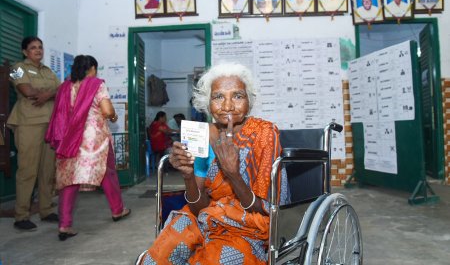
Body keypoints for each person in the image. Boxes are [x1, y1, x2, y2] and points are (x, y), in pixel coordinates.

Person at [136, 63, 289, 264]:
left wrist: (232, 174)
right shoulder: (203, 136)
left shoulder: (265, 135)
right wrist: (188, 176)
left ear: (249, 102)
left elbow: (265, 211)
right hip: (206, 217)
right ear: (207, 103)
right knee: (158, 254)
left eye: (237, 96)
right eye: (218, 97)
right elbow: (200, 208)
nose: (227, 106)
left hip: (250, 225)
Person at [45, 55, 131, 241]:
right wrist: (115, 117)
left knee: (69, 180)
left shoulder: (64, 87)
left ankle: (64, 224)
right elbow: (107, 111)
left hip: (69, 138)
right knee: (107, 173)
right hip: (93, 139)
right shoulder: (96, 84)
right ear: (92, 68)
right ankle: (117, 210)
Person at [7, 36, 60, 231]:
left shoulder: (48, 71)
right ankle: (21, 215)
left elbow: (61, 90)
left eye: (40, 47)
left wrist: (46, 94)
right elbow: (26, 90)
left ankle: (46, 210)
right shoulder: (17, 68)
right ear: (25, 51)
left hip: (49, 124)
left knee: (47, 171)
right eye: (33, 48)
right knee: (27, 170)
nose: (38, 50)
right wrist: (50, 92)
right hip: (28, 123)